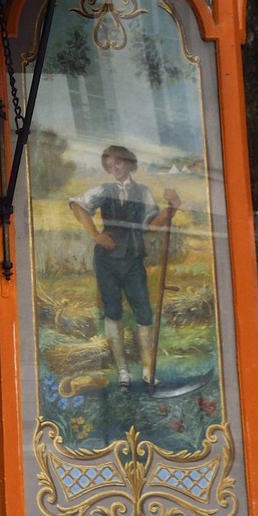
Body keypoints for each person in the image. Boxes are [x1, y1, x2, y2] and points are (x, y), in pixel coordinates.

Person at [69, 143, 181, 387]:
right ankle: (122, 372)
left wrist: (170, 210)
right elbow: (77, 205)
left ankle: (148, 371)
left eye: (118, 162)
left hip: (132, 260)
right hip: (106, 261)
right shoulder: (104, 190)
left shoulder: (143, 192)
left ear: (129, 163)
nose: (114, 168)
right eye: (109, 166)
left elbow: (151, 226)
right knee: (113, 311)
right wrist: (96, 235)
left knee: (144, 313)